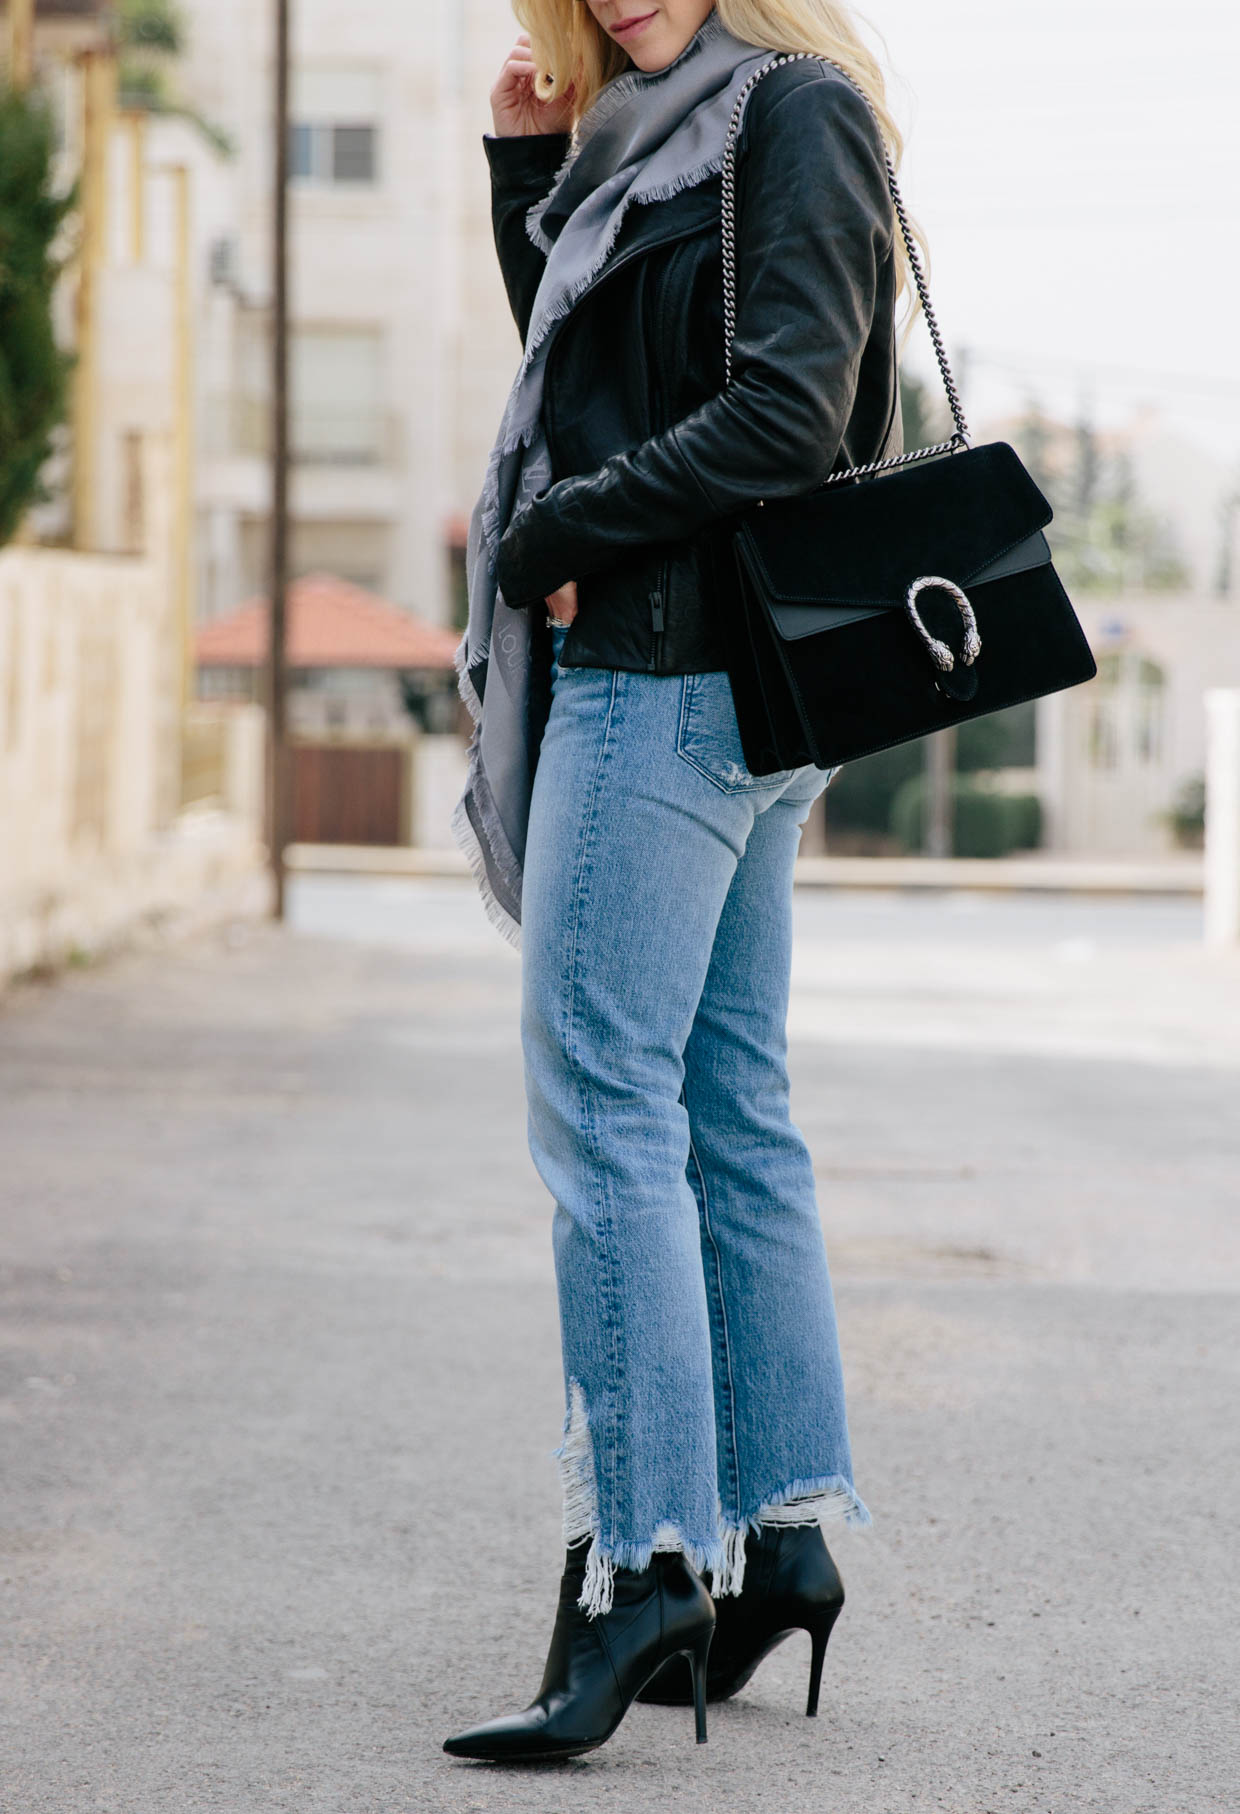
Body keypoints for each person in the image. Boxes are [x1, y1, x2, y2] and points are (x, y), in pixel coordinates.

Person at [445, 0, 911, 1763]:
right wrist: (525, 176)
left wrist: (555, 537)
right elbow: (596, 388)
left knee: (603, 1108)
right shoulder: (656, 122)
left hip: (678, 683)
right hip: (720, 685)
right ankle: (777, 1530)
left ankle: (646, 1557)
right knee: (724, 1103)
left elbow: (790, 412)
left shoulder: (793, 113)